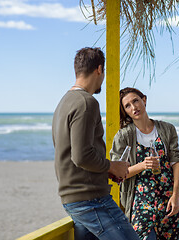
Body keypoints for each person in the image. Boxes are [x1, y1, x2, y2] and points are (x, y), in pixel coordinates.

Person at [52, 48, 140, 240]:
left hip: (73, 200)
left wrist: (106, 171)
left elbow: (71, 155)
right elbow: (81, 156)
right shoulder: (86, 102)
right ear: (99, 69)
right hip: (91, 200)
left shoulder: (62, 103)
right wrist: (112, 165)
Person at [110, 87, 179, 240]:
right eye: (127, 105)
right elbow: (117, 173)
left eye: (135, 101)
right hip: (141, 203)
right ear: (125, 111)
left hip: (170, 201)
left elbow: (177, 162)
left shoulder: (167, 129)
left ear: (144, 100)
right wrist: (142, 165)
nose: (134, 107)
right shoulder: (124, 136)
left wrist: (176, 196)